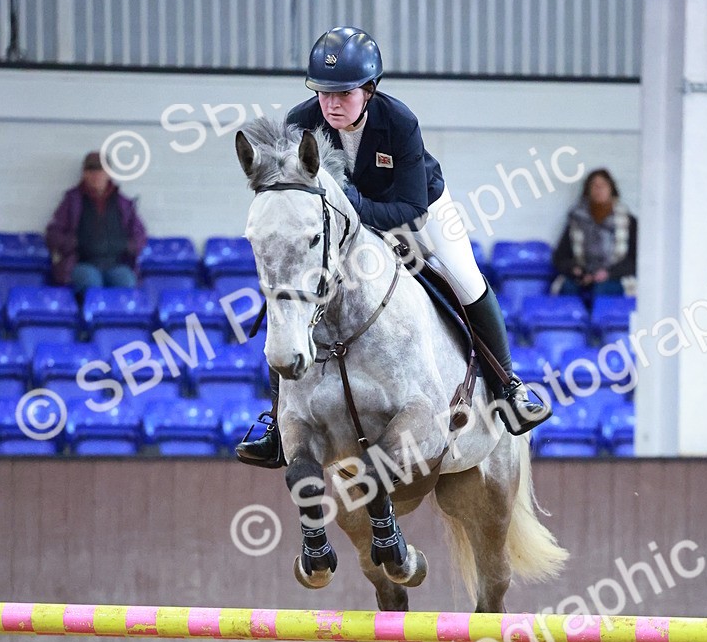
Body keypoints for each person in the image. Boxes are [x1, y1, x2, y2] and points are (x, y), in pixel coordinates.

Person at [236, 26, 549, 469]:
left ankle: (507, 387)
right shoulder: (300, 122)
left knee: (465, 277)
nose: (332, 104)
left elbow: (411, 210)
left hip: (415, 212)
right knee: (291, 296)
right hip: (343, 226)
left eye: (344, 94)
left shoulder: (399, 122)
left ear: (369, 89)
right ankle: (276, 423)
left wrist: (353, 207)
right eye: (324, 93)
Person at [46, 151, 147, 293]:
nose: (96, 175)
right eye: (91, 170)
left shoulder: (124, 203)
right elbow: (53, 233)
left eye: (100, 170)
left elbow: (140, 235)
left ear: (108, 173)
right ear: (84, 174)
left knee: (126, 282)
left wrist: (127, 245)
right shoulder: (71, 201)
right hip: (82, 263)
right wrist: (73, 243)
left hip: (117, 264)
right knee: (91, 282)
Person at [551, 168, 637, 303]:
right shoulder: (576, 220)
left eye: (603, 185)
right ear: (588, 190)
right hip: (584, 276)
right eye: (594, 186)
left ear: (611, 189)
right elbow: (560, 257)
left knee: (602, 290)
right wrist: (577, 270)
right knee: (568, 287)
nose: (598, 189)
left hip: (615, 276)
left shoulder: (627, 221)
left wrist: (608, 273)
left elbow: (634, 260)